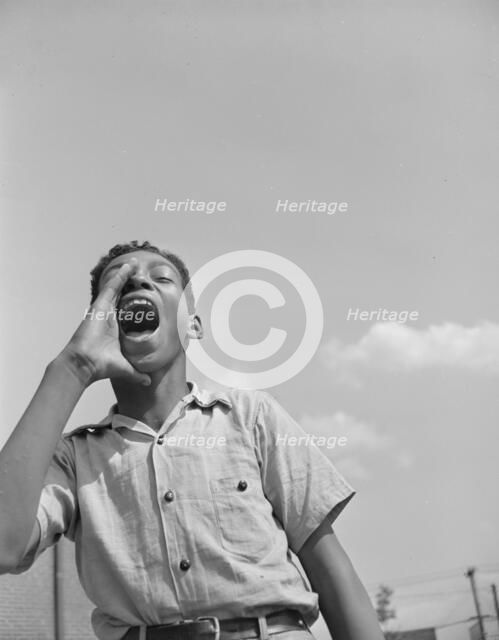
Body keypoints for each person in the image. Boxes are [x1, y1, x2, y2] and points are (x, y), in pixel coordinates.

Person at [0, 241, 384, 640]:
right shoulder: (74, 459)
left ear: (193, 324)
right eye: (120, 286)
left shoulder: (251, 417)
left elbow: (331, 569)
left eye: (160, 279)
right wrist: (73, 366)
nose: (140, 284)